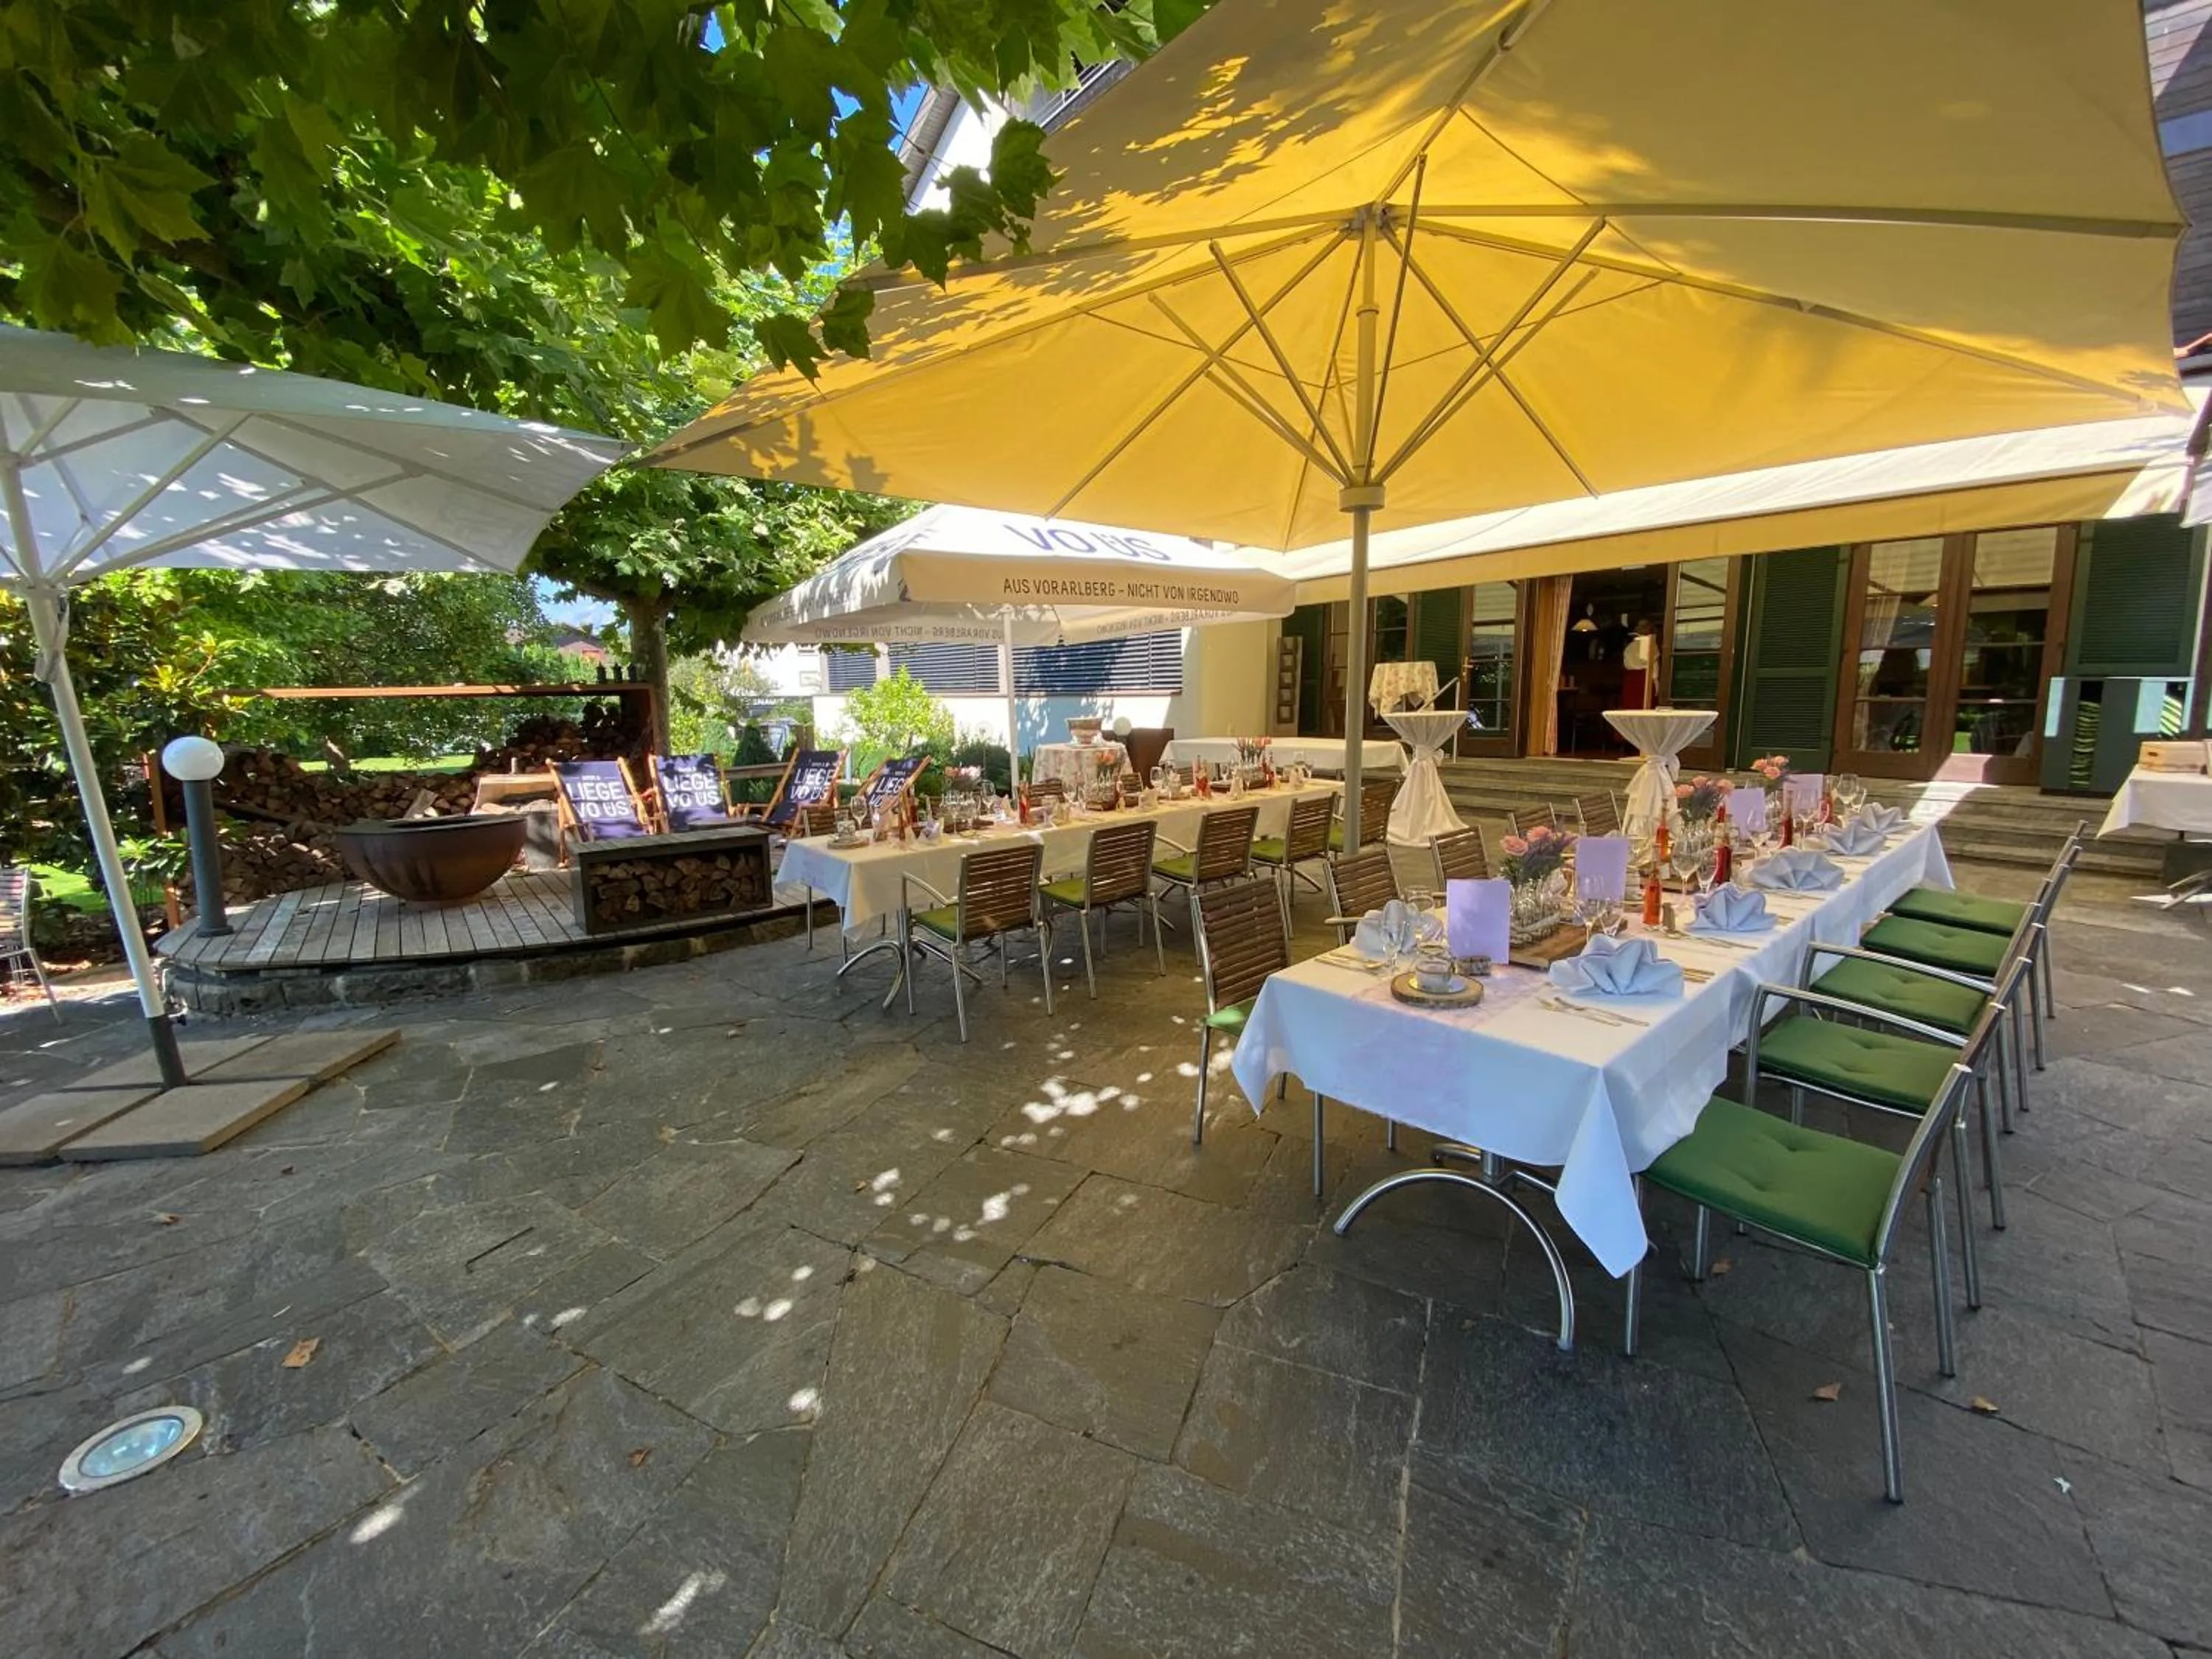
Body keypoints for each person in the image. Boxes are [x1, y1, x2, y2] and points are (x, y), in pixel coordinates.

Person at [1621, 616, 1658, 709]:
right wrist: (1656, 682)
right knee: (1643, 707)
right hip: (1644, 678)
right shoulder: (1650, 645)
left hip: (1632, 678)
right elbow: (1652, 664)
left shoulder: (1630, 647)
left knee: (1632, 707)